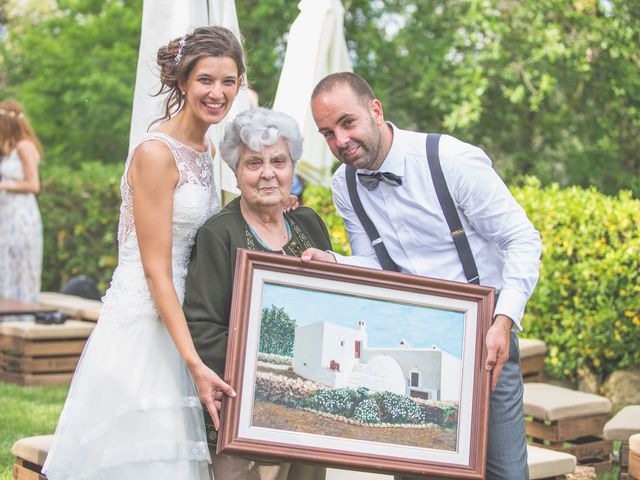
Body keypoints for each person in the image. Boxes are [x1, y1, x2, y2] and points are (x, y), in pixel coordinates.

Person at [302, 72, 542, 480]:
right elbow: (378, 268)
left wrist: (504, 320)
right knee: (416, 471)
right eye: (327, 133)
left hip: (485, 336)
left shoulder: (450, 160)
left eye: (347, 123)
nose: (339, 141)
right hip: (411, 332)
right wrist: (335, 263)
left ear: (375, 110)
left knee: (504, 473)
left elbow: (522, 239)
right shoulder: (345, 184)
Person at [43, 26, 245, 479]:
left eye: (228, 81)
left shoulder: (204, 146)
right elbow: (156, 271)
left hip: (182, 315)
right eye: (206, 80)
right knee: (145, 457)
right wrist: (194, 362)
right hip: (145, 322)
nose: (218, 92)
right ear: (182, 82)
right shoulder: (156, 153)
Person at [183, 107, 330, 480]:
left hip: (312, 413)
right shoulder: (219, 234)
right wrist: (261, 374)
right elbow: (202, 325)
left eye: (278, 161)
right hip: (243, 414)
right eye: (254, 163)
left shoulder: (309, 223)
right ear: (236, 172)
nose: (268, 173)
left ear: (292, 167)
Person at [0, 100, 43, 320]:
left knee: (21, 267)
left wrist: (4, 185)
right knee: (6, 266)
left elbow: (33, 185)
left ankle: (22, 319)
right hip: (6, 216)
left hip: (21, 216)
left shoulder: (25, 147)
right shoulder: (9, 149)